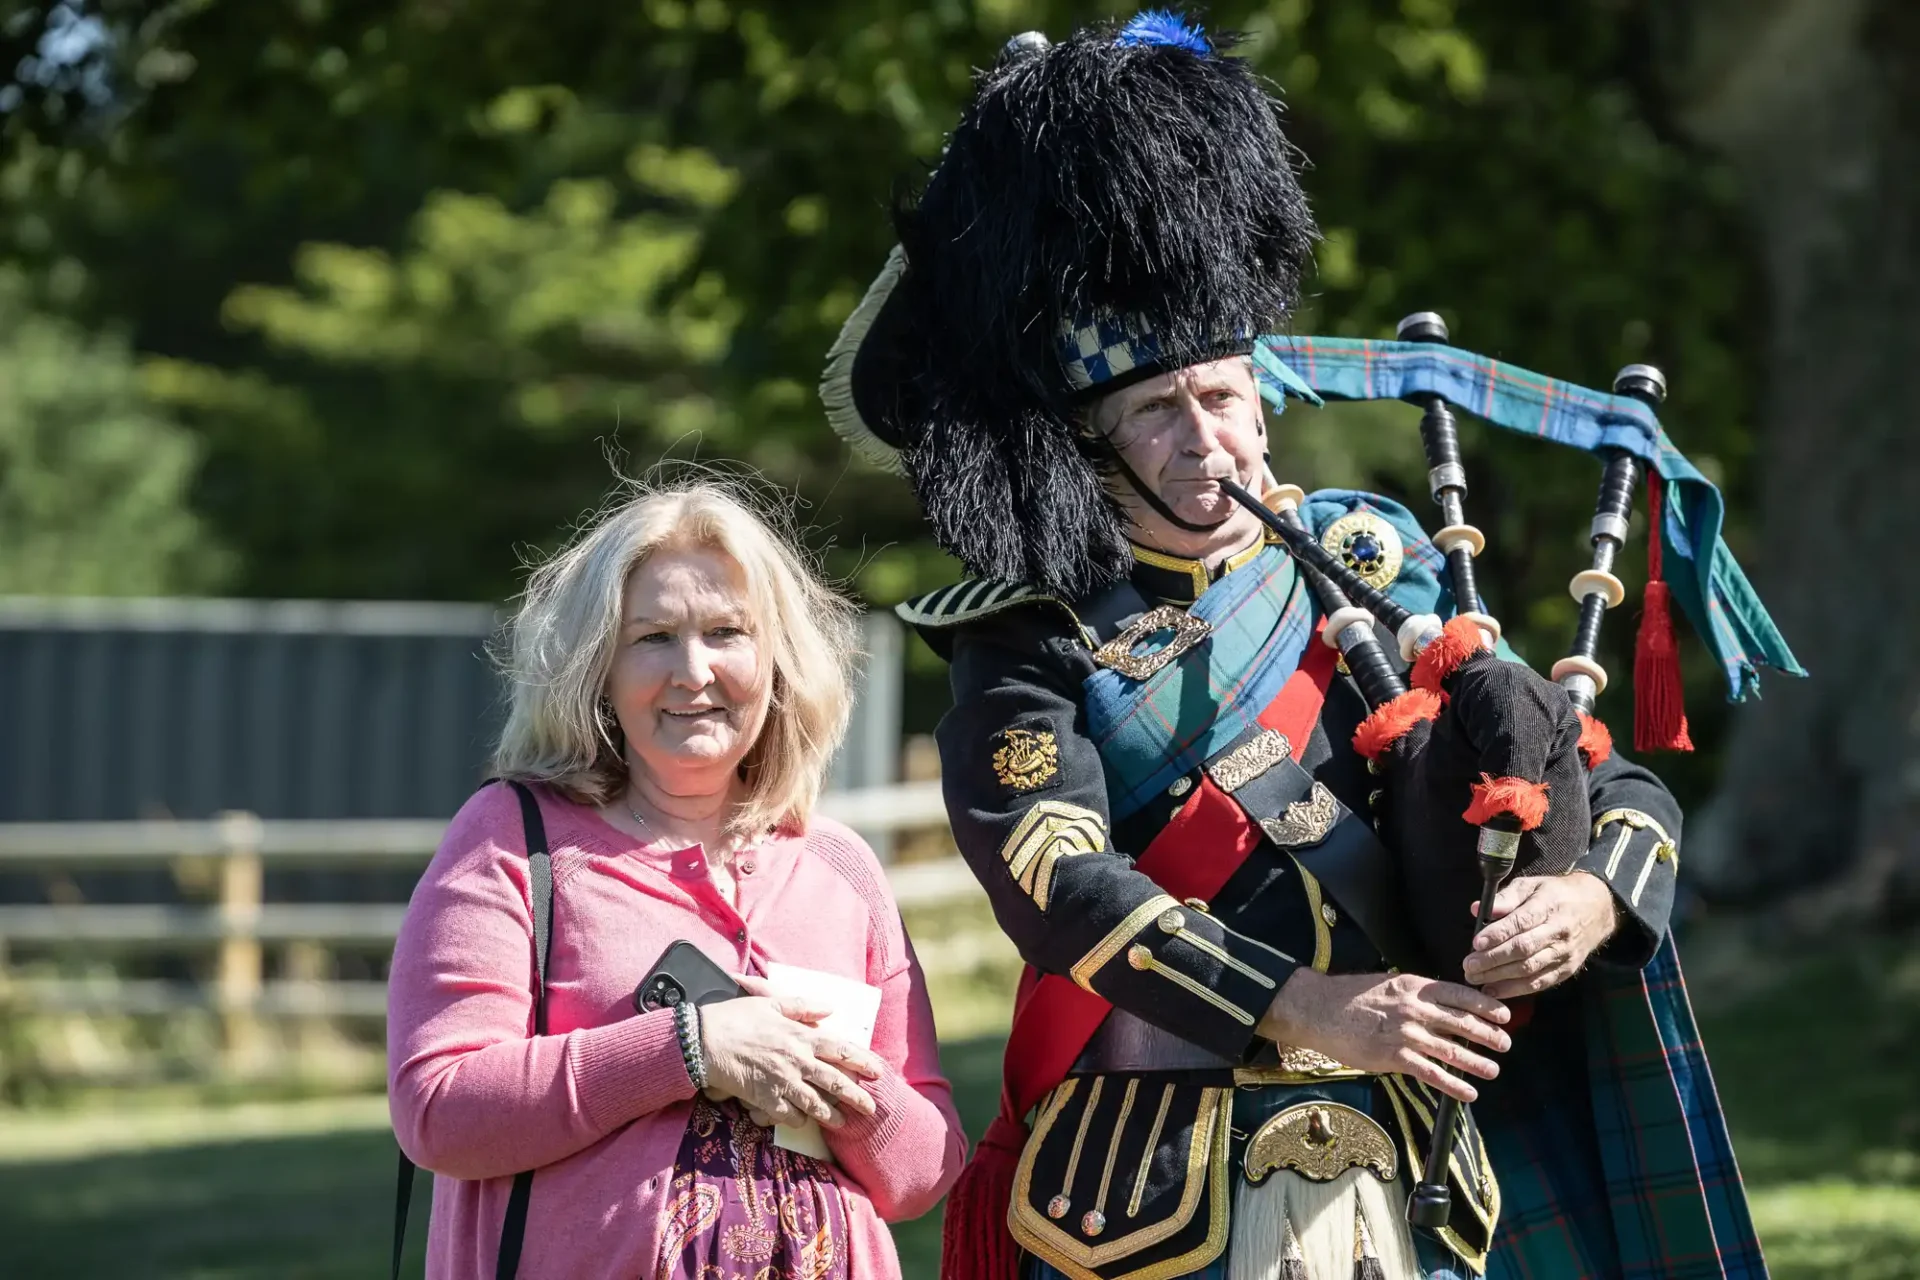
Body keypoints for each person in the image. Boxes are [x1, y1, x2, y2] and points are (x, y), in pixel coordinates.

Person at [821, 13, 1782, 1280]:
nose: (1203, 439)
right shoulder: (1027, 634)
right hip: (1157, 1189)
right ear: (1087, 448)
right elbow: (1059, 881)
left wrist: (1590, 890)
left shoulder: (1379, 566)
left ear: (1263, 401)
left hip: (1423, 1169)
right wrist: (1307, 1004)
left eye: (1220, 395)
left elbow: (1602, 776)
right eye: (1155, 412)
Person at [387, 480, 967, 1280]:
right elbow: (438, 1111)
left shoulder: (839, 867)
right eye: (653, 637)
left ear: (777, 660)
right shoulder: (514, 840)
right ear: (598, 669)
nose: (693, 671)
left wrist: (831, 1082)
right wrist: (690, 1048)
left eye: (726, 632)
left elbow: (923, 1173)